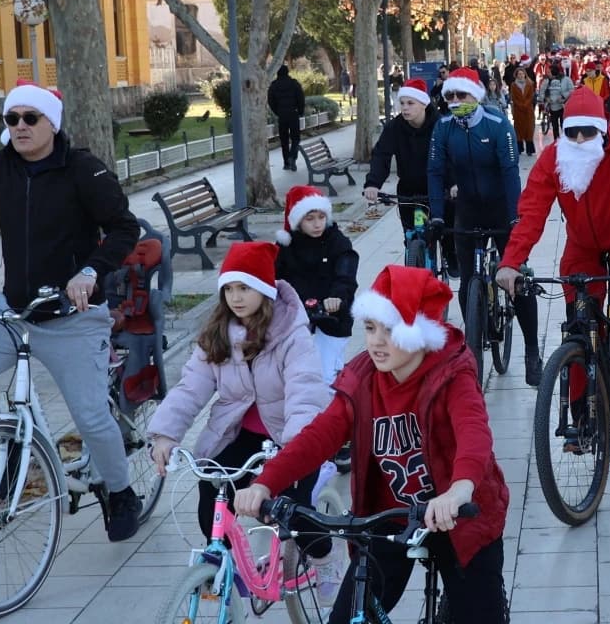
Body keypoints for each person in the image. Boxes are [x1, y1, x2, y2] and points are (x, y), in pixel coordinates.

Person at [233, 266, 509, 624]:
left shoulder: (451, 373)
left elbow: (474, 433)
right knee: (349, 616)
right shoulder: (362, 379)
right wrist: (266, 481)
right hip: (390, 518)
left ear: (417, 333)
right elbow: (320, 436)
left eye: (389, 330)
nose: (376, 341)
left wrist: (460, 490)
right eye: (369, 328)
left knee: (478, 614)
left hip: (460, 514)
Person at [0, 81, 144, 542]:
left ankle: (121, 490)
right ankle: (8, 448)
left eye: (31, 118)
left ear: (52, 122)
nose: (21, 127)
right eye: (12, 119)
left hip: (72, 317)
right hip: (14, 312)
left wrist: (91, 271)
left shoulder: (83, 170)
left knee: (91, 417)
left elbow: (123, 228)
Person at [146, 242, 340, 591]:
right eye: (229, 289)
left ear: (264, 290)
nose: (235, 297)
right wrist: (165, 433)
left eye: (245, 287)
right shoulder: (218, 335)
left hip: (292, 435)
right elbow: (191, 387)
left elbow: (304, 392)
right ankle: (223, 563)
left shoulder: (292, 335)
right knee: (213, 491)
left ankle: (324, 556)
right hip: (239, 434)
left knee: (291, 511)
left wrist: (296, 450)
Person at [496, 87, 610, 380]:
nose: (578, 139)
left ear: (601, 130)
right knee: (579, 325)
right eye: (572, 132)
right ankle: (580, 412)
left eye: (587, 132)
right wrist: (511, 262)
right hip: (582, 243)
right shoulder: (554, 156)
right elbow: (532, 211)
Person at [428, 67, 542, 385]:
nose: (454, 101)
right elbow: (435, 172)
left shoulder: (498, 125)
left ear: (475, 96)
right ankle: (473, 346)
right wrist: (438, 215)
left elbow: (510, 172)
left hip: (500, 209)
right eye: (449, 95)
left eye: (460, 95)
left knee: (517, 279)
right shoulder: (443, 127)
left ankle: (532, 351)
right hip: (467, 209)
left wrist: (514, 217)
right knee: (467, 282)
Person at [363, 79, 459, 277]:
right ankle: (415, 259)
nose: (405, 108)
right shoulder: (395, 127)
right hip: (409, 190)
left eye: (410, 103)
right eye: (402, 103)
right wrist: (373, 183)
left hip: (437, 190)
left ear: (423, 104)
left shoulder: (440, 124)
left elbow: (451, 156)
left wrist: (452, 184)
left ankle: (450, 253)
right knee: (413, 234)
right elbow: (381, 155)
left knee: (446, 229)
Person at [274, 186, 359, 386]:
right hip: (298, 317)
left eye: (321, 217)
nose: (317, 224)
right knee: (293, 374)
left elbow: (346, 274)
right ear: (298, 220)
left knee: (325, 375)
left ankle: (329, 412)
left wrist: (338, 297)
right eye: (310, 218)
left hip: (332, 316)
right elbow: (274, 279)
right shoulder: (286, 247)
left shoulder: (337, 242)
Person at [268, 63, 306, 171]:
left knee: (284, 140)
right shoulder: (294, 84)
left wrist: (277, 112)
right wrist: (300, 111)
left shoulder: (274, 85)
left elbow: (270, 101)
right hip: (293, 114)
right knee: (296, 138)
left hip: (282, 115)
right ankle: (292, 157)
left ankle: (286, 163)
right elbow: (301, 98)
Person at [538, 57, 574, 140]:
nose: (547, 73)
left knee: (563, 124)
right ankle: (556, 141)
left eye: (549, 72)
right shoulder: (546, 81)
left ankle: (566, 140)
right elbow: (542, 91)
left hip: (564, 106)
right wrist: (545, 99)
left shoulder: (566, 79)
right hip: (552, 106)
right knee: (554, 125)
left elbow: (572, 90)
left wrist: (564, 97)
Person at [509, 63, 538, 155]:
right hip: (518, 110)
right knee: (519, 129)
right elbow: (513, 97)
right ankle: (519, 148)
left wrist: (525, 104)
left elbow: (531, 96)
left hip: (528, 110)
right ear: (516, 75)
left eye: (522, 74)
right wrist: (520, 105)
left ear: (525, 74)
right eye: (519, 74)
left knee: (529, 129)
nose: (521, 75)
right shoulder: (513, 85)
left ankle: (529, 149)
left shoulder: (530, 84)